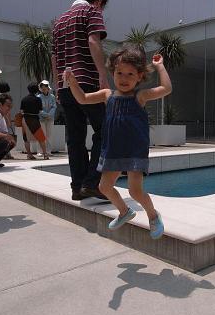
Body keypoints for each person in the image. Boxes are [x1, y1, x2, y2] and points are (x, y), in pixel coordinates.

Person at [63, 46, 172, 239]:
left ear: (139, 76)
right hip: (112, 150)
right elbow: (83, 98)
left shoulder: (140, 96)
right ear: (112, 72)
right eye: (119, 72)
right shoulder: (107, 95)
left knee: (135, 191)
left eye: (130, 74)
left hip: (134, 151)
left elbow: (166, 89)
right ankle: (124, 211)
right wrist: (72, 83)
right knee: (104, 187)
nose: (124, 78)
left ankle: (153, 216)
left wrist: (160, 66)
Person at [52, 0, 109, 201]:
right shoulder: (91, 11)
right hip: (87, 83)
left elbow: (54, 56)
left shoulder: (59, 21)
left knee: (74, 138)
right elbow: (94, 41)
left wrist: (59, 85)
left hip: (66, 85)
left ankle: (77, 187)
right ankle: (92, 183)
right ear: (99, 1)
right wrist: (103, 75)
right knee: (106, 131)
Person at [21, 82, 48, 160]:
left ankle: (29, 154)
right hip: (35, 119)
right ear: (36, 90)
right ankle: (45, 154)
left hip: (25, 119)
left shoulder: (24, 99)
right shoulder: (38, 99)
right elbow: (40, 110)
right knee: (41, 138)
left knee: (26, 139)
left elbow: (21, 111)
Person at [37, 80, 57, 157]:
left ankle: (48, 151)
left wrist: (49, 114)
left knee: (49, 135)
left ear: (48, 88)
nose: (44, 89)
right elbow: (38, 109)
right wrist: (45, 114)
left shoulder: (52, 96)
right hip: (41, 119)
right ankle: (40, 151)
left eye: (45, 88)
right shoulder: (38, 97)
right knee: (42, 135)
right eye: (42, 88)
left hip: (50, 119)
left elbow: (54, 106)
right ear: (40, 89)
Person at [0, 81, 15, 159]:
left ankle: (4, 153)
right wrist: (9, 120)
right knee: (6, 135)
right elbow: (7, 111)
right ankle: (7, 153)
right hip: (4, 118)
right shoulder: (7, 98)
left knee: (1, 136)